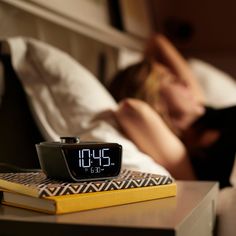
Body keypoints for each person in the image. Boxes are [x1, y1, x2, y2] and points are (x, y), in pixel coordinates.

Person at [108, 34, 236, 188]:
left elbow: (158, 42)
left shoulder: (201, 109)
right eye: (172, 80)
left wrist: (152, 69)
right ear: (156, 102)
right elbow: (130, 109)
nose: (184, 81)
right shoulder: (179, 155)